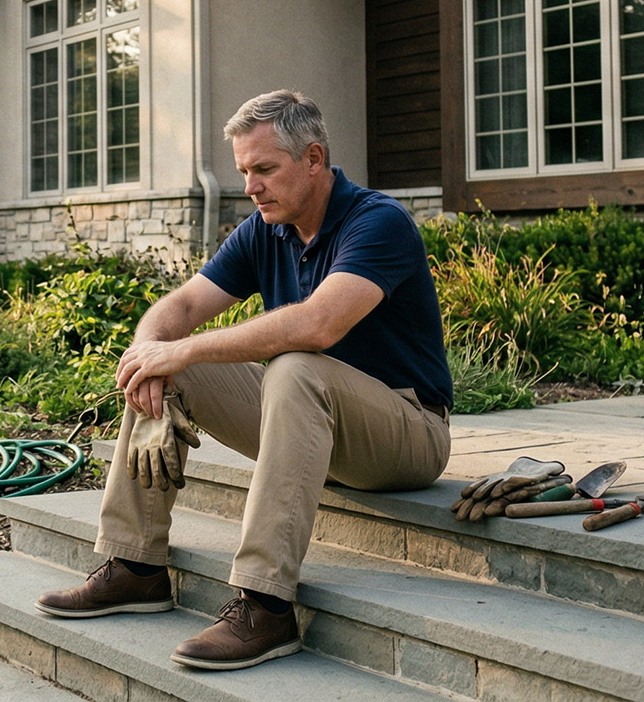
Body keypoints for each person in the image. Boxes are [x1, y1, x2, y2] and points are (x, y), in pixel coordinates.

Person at [34, 89, 452, 671]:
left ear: (313, 158)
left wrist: (172, 352)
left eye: (264, 169)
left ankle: (265, 603)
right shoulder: (266, 229)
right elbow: (178, 307)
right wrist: (151, 352)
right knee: (167, 356)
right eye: (243, 172)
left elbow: (319, 324)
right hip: (310, 425)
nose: (250, 187)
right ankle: (135, 567)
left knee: (295, 362)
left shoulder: (378, 222)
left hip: (407, 434)